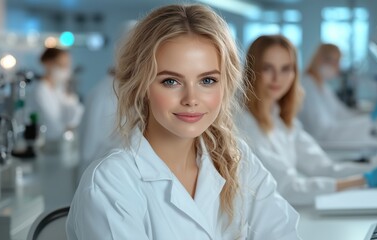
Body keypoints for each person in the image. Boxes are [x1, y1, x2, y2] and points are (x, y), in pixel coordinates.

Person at [66, 5, 300, 239]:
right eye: (171, 81)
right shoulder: (110, 183)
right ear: (142, 86)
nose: (191, 99)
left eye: (207, 80)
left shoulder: (237, 157)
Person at [236, 35, 377, 206]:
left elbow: (324, 168)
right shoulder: (245, 124)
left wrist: (374, 170)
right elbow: (288, 189)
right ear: (252, 70)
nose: (277, 78)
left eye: (286, 68)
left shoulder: (283, 121)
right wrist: (365, 180)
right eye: (267, 68)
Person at [298, 43, 377, 145]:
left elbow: (342, 114)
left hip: (327, 142)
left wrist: (370, 117)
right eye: (336, 62)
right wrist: (370, 119)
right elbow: (323, 132)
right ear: (321, 60)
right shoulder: (307, 85)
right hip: (318, 145)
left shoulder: (322, 86)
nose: (338, 67)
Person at [26, 48, 84, 140]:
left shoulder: (59, 90)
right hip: (46, 144)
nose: (66, 70)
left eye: (67, 65)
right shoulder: (40, 90)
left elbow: (76, 118)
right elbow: (53, 126)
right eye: (62, 65)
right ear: (48, 63)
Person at [77, 68, 120, 180]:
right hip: (101, 174)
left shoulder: (108, 90)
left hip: (101, 172)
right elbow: (89, 148)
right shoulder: (107, 95)